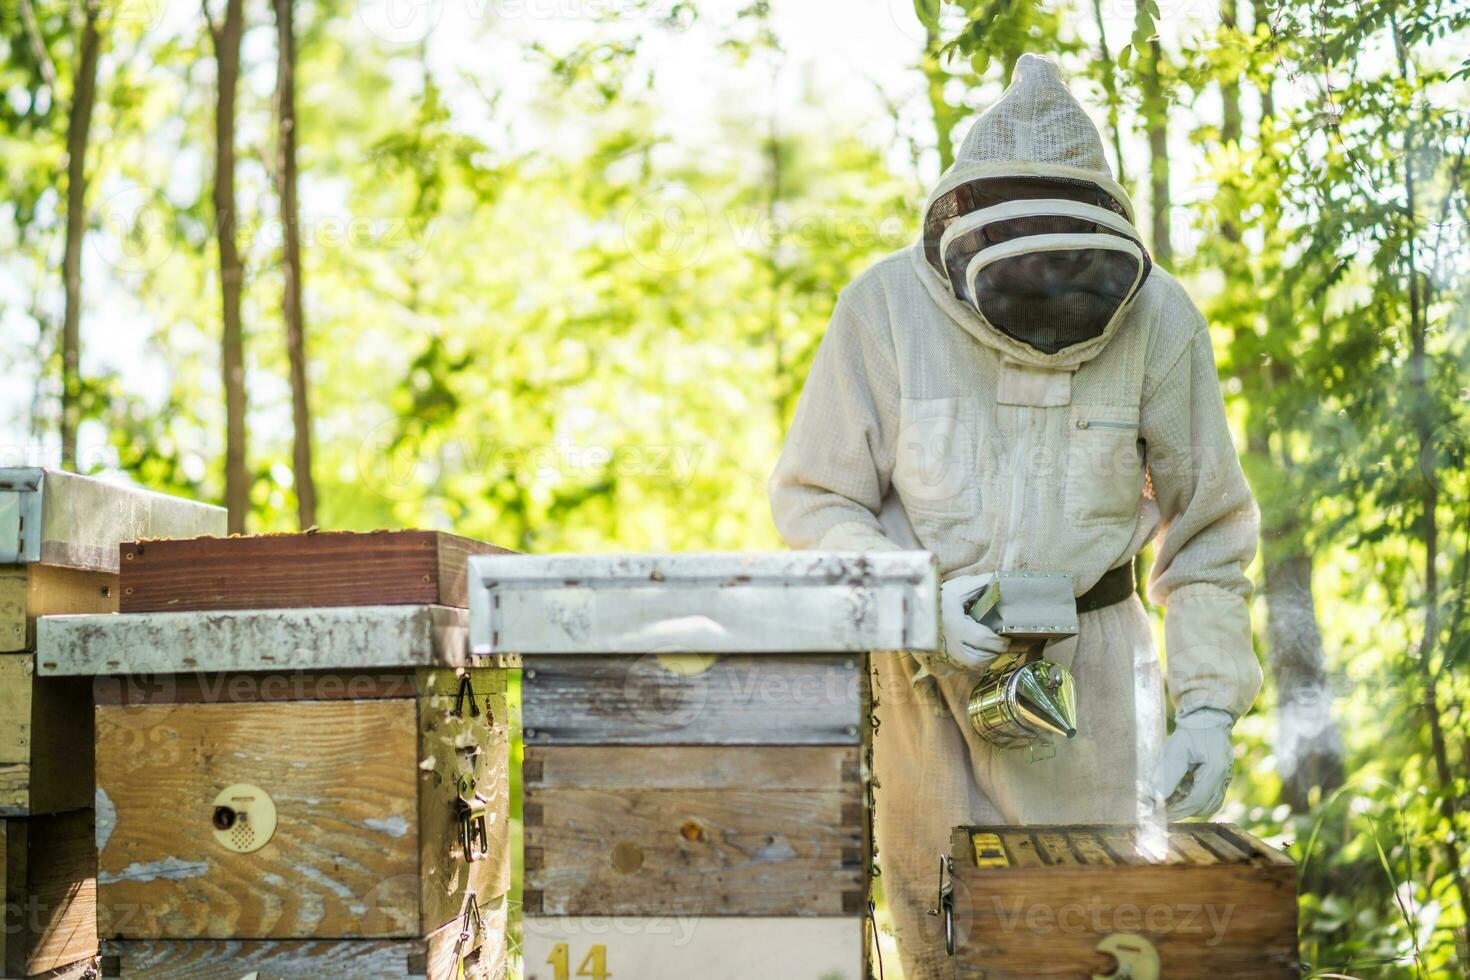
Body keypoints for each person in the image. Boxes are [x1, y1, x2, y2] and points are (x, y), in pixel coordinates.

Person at [768, 54, 1261, 979]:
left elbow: (1208, 532)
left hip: (1098, 679)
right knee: (942, 941)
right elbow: (816, 498)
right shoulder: (882, 310)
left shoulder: (1161, 321)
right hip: (927, 687)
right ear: (963, 239)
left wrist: (1208, 710)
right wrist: (911, 605)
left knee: (1091, 943)